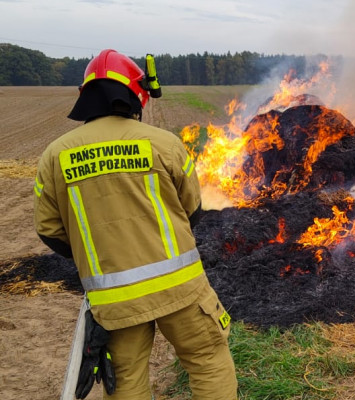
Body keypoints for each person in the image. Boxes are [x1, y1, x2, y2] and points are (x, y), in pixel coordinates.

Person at [33, 49, 237, 399]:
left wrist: (96, 253)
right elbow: (193, 209)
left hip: (115, 299)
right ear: (133, 95)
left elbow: (49, 230)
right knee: (207, 359)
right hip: (181, 289)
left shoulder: (54, 156)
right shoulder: (163, 144)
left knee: (125, 379)